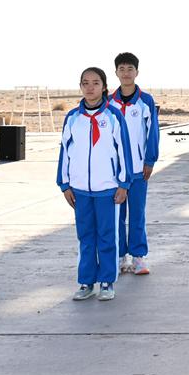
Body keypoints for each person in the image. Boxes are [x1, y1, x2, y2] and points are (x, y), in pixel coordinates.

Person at [57, 67, 131, 302]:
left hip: (107, 189)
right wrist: (64, 184)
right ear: (80, 86)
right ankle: (86, 282)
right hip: (80, 190)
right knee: (85, 236)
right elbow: (65, 153)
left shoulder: (113, 116)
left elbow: (124, 151)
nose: (90, 87)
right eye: (85, 83)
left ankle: (107, 281)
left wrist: (124, 183)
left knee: (107, 236)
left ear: (104, 87)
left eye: (95, 83)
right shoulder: (73, 118)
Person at [111, 52, 160, 276]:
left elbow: (152, 132)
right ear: (116, 72)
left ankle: (139, 257)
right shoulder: (109, 102)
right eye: (121, 69)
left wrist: (149, 160)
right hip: (115, 171)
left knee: (137, 213)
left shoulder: (145, 101)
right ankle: (121, 256)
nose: (126, 73)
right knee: (117, 214)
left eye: (130, 69)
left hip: (139, 169)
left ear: (137, 72)